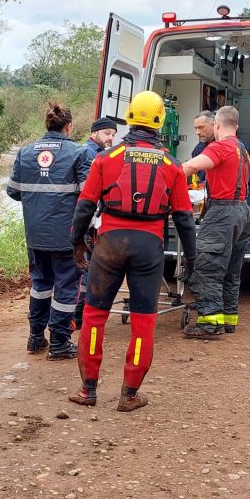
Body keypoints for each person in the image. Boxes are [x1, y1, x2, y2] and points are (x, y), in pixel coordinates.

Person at [69, 91, 197, 412]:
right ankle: (128, 395)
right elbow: (183, 219)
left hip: (110, 244)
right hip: (149, 248)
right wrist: (192, 260)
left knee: (95, 316)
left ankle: (88, 391)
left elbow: (84, 207)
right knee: (143, 321)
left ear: (129, 117)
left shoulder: (106, 158)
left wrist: (77, 243)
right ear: (160, 121)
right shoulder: (172, 165)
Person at [7, 103, 93, 359]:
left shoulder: (25, 152)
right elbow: (89, 197)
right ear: (69, 127)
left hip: (35, 235)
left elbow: (13, 191)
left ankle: (35, 338)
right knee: (66, 287)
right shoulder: (79, 152)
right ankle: (59, 343)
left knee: (40, 284)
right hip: (67, 235)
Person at [180, 105, 250, 338]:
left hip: (222, 213)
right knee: (232, 270)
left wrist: (161, 174)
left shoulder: (220, 146)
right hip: (242, 211)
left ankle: (209, 323)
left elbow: (192, 166)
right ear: (237, 126)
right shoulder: (242, 148)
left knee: (206, 269)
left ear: (218, 125)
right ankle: (229, 318)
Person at [73, 117, 119, 328]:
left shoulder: (93, 152)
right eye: (107, 133)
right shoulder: (91, 154)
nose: (111, 138)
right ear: (94, 133)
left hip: (87, 220)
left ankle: (78, 315)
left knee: (87, 268)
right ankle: (79, 315)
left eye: (113, 134)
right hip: (88, 222)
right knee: (88, 269)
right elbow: (87, 195)